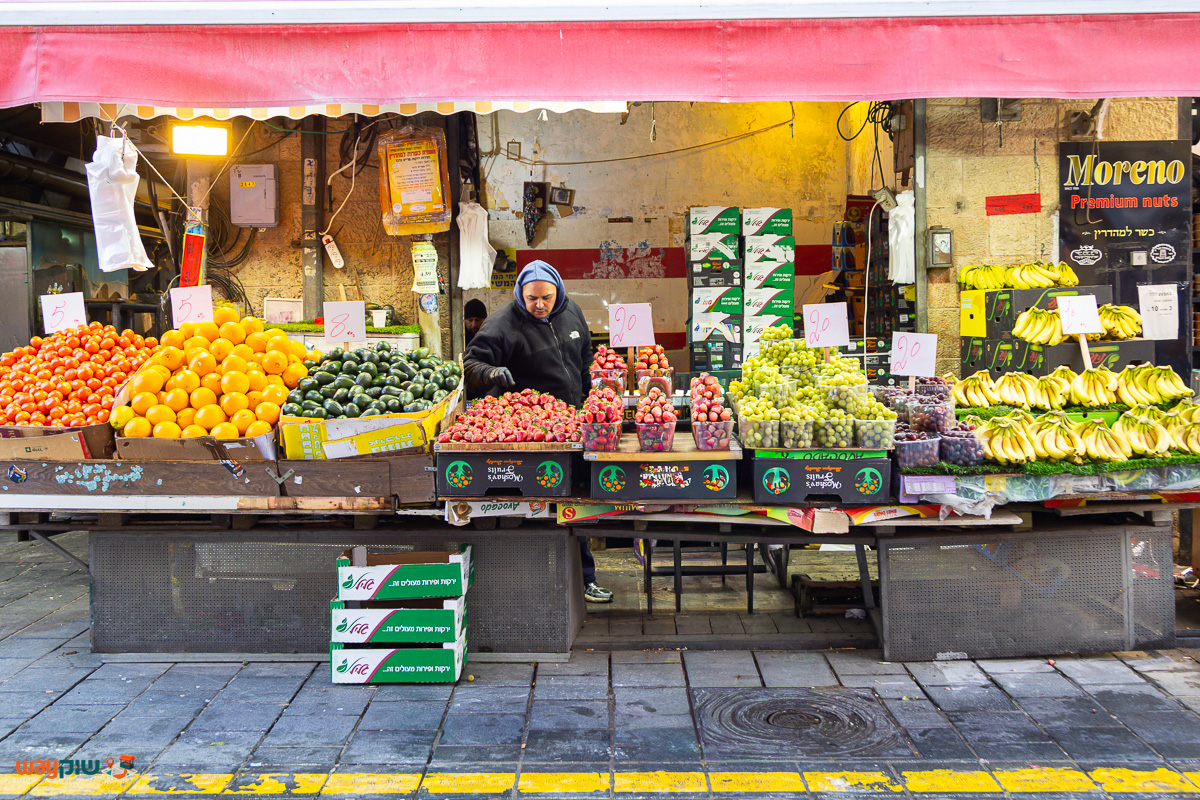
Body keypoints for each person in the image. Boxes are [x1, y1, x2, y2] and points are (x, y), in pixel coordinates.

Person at [464, 260, 613, 604]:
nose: (540, 304)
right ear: (520, 294)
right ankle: (531, 586)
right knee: (540, 509)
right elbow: (471, 366)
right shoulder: (502, 324)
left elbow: (585, 353)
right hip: (535, 435)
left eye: (546, 297)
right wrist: (491, 373)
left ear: (558, 290)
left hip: (576, 425)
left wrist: (596, 391)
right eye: (532, 299)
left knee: (578, 503)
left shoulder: (571, 311)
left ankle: (583, 579)